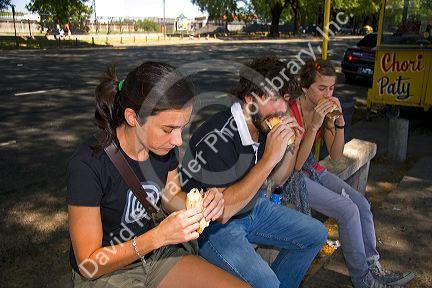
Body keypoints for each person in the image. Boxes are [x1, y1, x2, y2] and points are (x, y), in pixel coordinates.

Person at [67, 61, 250, 288]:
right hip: (109, 271)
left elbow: (169, 197)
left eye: (181, 128)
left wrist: (202, 206)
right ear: (133, 117)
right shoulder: (88, 165)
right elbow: (89, 264)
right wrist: (158, 237)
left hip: (155, 256)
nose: (177, 141)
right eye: (168, 129)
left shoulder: (160, 148)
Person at [181, 56, 327, 288]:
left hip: (251, 207)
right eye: (274, 99)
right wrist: (269, 158)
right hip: (211, 227)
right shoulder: (218, 136)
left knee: (316, 234)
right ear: (249, 100)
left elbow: (278, 180)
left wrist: (292, 147)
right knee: (266, 283)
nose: (282, 108)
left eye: (285, 99)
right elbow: (223, 211)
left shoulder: (263, 123)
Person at [282, 59, 414, 288]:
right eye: (321, 88)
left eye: (331, 88)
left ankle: (373, 266)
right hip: (291, 177)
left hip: (312, 169)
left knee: (361, 204)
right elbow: (294, 166)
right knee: (347, 210)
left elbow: (335, 155)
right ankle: (363, 280)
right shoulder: (290, 111)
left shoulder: (323, 111)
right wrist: (313, 126)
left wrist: (339, 122)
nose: (328, 93)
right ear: (305, 88)